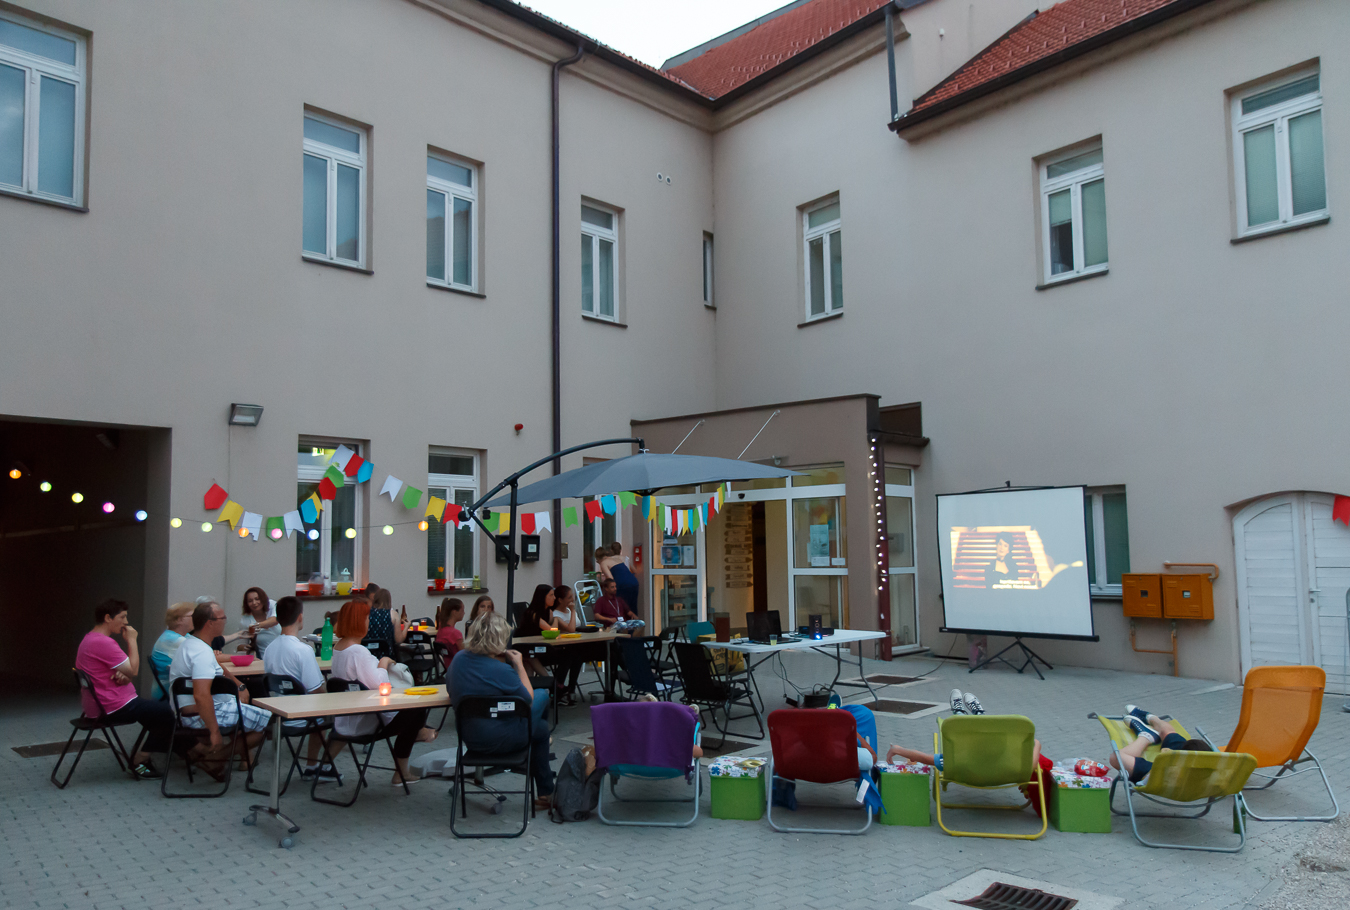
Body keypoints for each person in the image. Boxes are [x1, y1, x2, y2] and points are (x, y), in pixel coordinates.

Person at [447, 611, 554, 808]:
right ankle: (546, 791)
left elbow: (449, 690)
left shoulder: (458, 660)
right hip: (500, 740)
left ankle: (546, 789)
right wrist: (519, 665)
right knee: (541, 696)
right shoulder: (502, 671)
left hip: (470, 738)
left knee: (540, 729)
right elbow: (528, 700)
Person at [329, 600, 436, 784]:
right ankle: (403, 769)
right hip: (366, 722)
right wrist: (384, 662)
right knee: (417, 708)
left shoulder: (338, 649)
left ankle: (419, 732)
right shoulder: (358, 652)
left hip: (345, 720)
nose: (369, 622)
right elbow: (381, 685)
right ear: (358, 621)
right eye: (367, 618)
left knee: (412, 714)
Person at [168, 601, 270, 779]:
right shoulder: (202, 653)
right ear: (210, 623)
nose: (225, 621)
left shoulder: (191, 643)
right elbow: (201, 695)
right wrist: (214, 731)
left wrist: (239, 685)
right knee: (266, 724)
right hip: (197, 714)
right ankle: (214, 759)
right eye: (223, 618)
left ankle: (214, 759)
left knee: (246, 713)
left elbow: (219, 668)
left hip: (186, 710)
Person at [74, 599, 174, 779]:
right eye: (122, 617)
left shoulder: (90, 639)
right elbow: (133, 670)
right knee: (168, 713)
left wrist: (124, 675)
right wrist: (132, 640)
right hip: (112, 707)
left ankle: (189, 750)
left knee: (157, 715)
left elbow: (122, 672)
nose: (126, 622)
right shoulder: (103, 642)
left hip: (104, 704)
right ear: (108, 618)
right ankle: (139, 761)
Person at [262, 596, 337, 780]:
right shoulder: (303, 650)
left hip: (278, 715)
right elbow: (316, 690)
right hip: (301, 717)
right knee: (329, 711)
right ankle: (314, 765)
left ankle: (314, 766)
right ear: (300, 617)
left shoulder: (269, 649)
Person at [885, 689, 1042, 771]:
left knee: (967, 728)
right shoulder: (1010, 763)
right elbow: (1036, 743)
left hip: (967, 770)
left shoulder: (958, 761)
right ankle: (979, 715)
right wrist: (1032, 743)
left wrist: (898, 749)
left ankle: (960, 714)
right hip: (1000, 771)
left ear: (970, 747)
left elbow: (925, 758)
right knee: (982, 729)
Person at [1109, 705, 1213, 785]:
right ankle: (1150, 718)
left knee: (1116, 758)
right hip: (1191, 763)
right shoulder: (1215, 775)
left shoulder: (1161, 774)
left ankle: (1146, 736)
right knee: (1169, 733)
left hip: (1166, 771)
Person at [149, 602, 195, 696]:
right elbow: (207, 657)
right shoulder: (174, 640)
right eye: (192, 616)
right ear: (179, 620)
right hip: (171, 692)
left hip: (179, 687)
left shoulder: (184, 636)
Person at [602, 542, 641, 617]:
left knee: (621, 609)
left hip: (621, 584)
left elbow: (610, 579)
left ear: (611, 550)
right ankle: (635, 623)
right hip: (633, 583)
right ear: (620, 550)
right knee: (632, 608)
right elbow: (635, 571)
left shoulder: (605, 562)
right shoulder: (624, 559)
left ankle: (623, 623)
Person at [239, 586, 280, 656]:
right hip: (264, 657)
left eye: (257, 599)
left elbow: (275, 620)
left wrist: (257, 626)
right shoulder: (245, 620)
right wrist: (245, 647)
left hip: (283, 654)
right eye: (250, 601)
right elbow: (240, 644)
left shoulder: (272, 604)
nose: (254, 603)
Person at [365, 587, 407, 652]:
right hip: (386, 653)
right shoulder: (393, 614)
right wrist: (406, 626)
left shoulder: (366, 613)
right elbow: (399, 640)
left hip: (369, 653)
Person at [435, 597, 466, 667]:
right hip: (458, 667)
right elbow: (464, 654)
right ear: (454, 612)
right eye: (462, 610)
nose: (464, 613)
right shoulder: (455, 634)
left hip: (448, 667)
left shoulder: (441, 630)